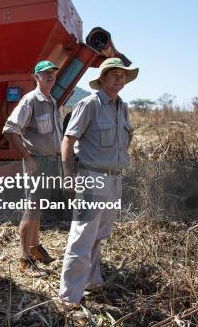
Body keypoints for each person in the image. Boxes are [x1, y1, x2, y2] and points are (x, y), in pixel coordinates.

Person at [57, 57, 139, 312]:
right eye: (113, 74)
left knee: (100, 235)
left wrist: (118, 161)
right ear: (102, 79)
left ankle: (92, 281)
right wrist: (69, 175)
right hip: (92, 177)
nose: (119, 78)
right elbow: (68, 141)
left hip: (113, 178)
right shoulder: (89, 104)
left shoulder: (122, 107)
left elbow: (128, 136)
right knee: (82, 237)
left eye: (122, 75)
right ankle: (69, 296)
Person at [2, 60, 63, 274]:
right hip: (36, 161)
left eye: (52, 73)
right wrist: (27, 157)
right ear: (35, 77)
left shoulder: (52, 101)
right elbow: (10, 129)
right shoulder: (30, 100)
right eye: (44, 73)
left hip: (50, 160)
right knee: (31, 207)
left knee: (38, 207)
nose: (50, 76)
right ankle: (24, 260)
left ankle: (35, 248)